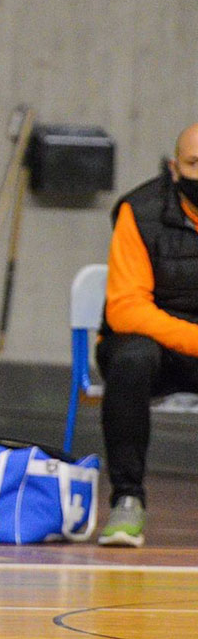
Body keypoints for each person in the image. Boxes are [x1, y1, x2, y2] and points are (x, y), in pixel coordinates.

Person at [96, 123, 198, 547]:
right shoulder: (139, 211)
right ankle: (127, 499)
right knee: (132, 358)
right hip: (150, 345)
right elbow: (126, 309)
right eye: (194, 164)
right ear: (174, 169)